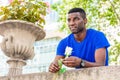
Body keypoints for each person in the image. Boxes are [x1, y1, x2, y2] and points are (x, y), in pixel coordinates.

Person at [49, 8, 110, 73]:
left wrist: (81, 63)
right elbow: (56, 64)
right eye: (69, 20)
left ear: (85, 21)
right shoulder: (64, 43)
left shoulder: (98, 36)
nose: (71, 23)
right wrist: (53, 67)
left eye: (76, 19)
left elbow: (101, 65)